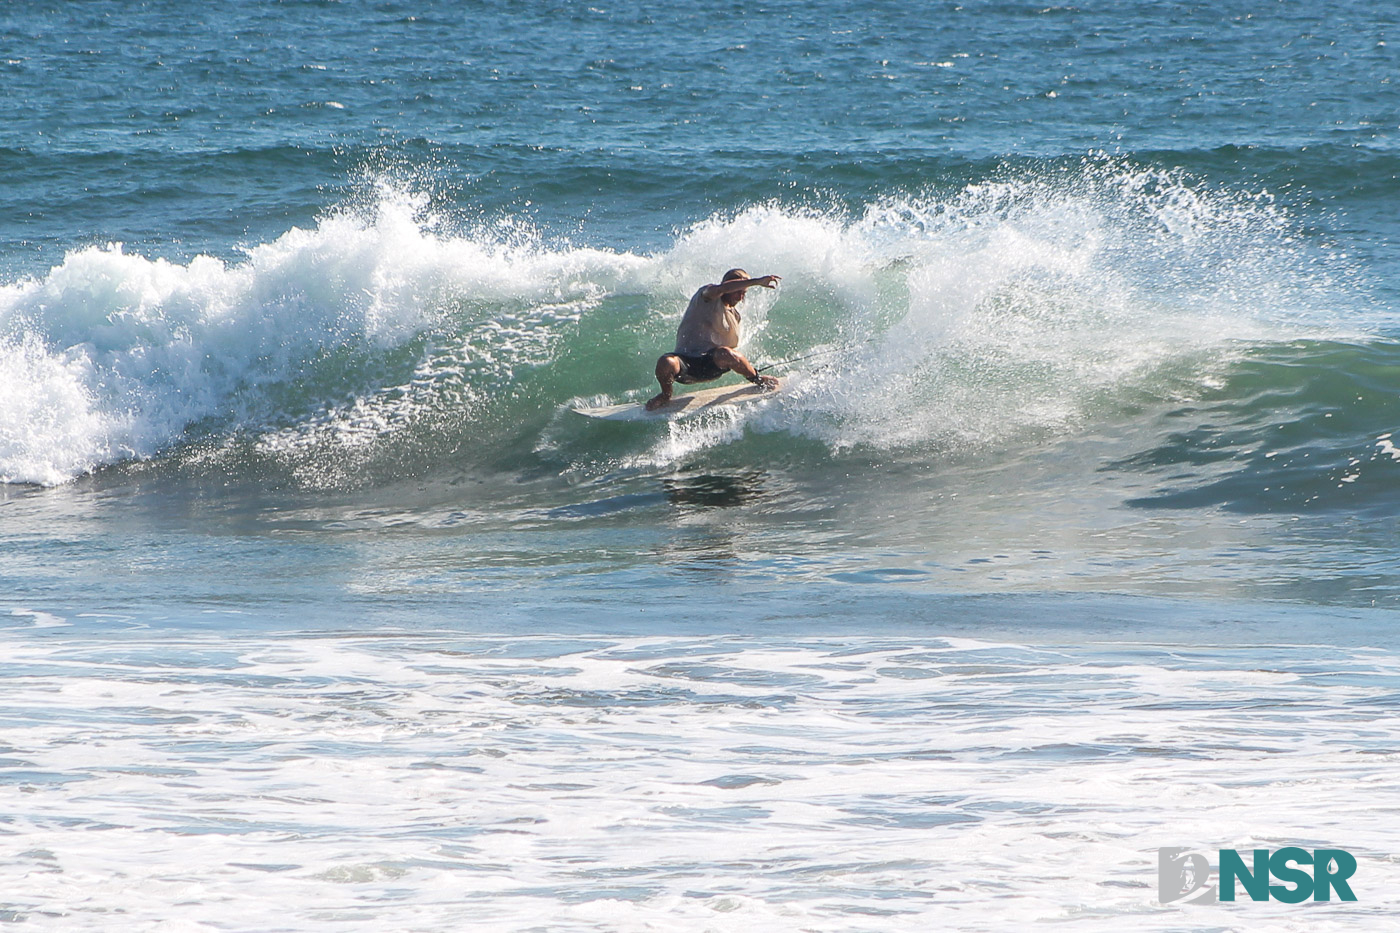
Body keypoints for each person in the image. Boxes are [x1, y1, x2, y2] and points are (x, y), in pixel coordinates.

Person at [645, 268, 781, 410]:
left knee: (727, 353)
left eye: (744, 293)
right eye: (738, 291)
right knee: (665, 362)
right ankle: (666, 395)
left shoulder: (735, 316)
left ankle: (757, 379)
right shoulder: (706, 296)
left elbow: (731, 353)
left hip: (711, 365)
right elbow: (721, 288)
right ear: (729, 286)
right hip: (685, 364)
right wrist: (757, 281)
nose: (741, 297)